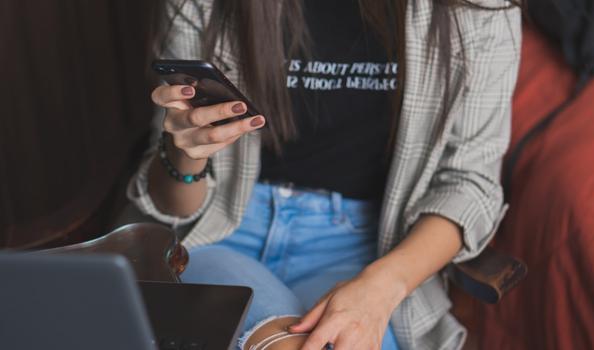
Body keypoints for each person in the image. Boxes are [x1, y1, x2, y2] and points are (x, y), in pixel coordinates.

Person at [127, 0, 522, 349]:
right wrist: (186, 155)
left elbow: (469, 182)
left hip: (373, 248)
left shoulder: (476, 9)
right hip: (223, 233)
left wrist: (382, 287)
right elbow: (172, 206)